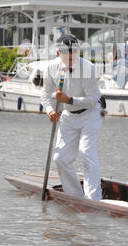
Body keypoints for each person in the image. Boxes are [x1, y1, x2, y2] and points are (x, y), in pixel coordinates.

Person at [41, 34, 103, 201]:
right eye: (65, 52)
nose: (70, 56)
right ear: (57, 52)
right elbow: (45, 95)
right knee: (60, 158)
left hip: (89, 115)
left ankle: (93, 198)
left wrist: (68, 100)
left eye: (74, 52)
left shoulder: (88, 68)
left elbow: (92, 101)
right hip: (68, 116)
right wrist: (50, 111)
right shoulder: (50, 68)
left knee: (86, 152)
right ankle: (75, 195)